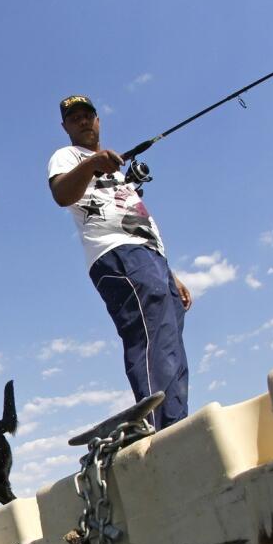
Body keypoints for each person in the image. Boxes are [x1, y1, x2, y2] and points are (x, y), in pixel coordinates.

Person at [48, 94, 193, 431]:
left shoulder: (115, 170)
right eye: (75, 118)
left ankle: (177, 423)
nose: (83, 121)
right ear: (65, 127)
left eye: (89, 115)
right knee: (149, 332)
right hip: (115, 253)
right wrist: (92, 164)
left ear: (98, 119)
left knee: (171, 338)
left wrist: (171, 274)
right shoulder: (66, 156)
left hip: (150, 257)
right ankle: (160, 427)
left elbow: (137, 220)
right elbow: (61, 195)